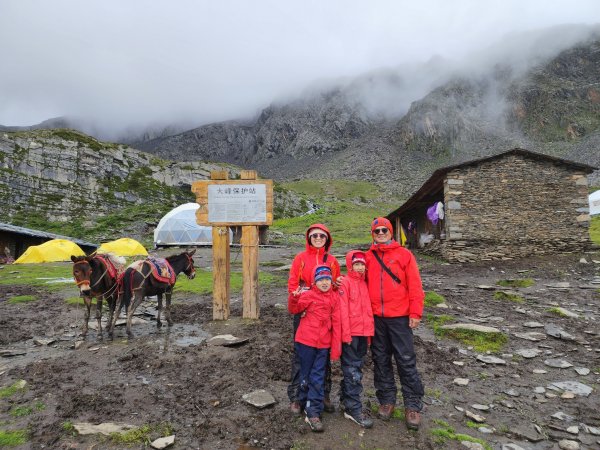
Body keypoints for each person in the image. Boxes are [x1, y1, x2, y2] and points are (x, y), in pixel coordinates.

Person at [365, 217, 425, 430]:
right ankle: (387, 401)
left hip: (400, 317)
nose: (380, 233)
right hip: (376, 318)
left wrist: (415, 312)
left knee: (406, 360)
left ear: (391, 232)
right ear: (372, 234)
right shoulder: (368, 257)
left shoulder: (405, 255)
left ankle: (412, 405)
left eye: (384, 230)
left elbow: (415, 285)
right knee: (380, 360)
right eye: (377, 231)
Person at [287, 224, 341, 415]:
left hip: (325, 314)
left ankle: (322, 394)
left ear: (327, 238)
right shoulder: (300, 258)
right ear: (309, 238)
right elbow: (293, 283)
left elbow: (335, 285)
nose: (318, 238)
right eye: (314, 235)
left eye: (322, 236)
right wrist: (302, 301)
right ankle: (296, 396)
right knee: (301, 353)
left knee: (323, 355)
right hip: (304, 312)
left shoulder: (333, 261)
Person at [288, 265, 342, 432]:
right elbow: (294, 309)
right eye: (320, 279)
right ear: (314, 281)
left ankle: (313, 412)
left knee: (317, 377)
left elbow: (337, 323)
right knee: (304, 375)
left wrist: (335, 347)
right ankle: (302, 401)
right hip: (305, 342)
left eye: (327, 279)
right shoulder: (308, 295)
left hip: (323, 345)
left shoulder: (334, 298)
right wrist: (294, 298)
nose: (324, 282)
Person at [338, 250, 374, 429]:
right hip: (351, 334)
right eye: (356, 264)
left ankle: (345, 399)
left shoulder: (365, 283)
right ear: (349, 265)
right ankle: (353, 408)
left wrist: (368, 335)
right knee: (353, 370)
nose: (359, 267)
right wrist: (346, 335)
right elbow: (343, 311)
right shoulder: (345, 282)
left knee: (355, 366)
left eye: (362, 264)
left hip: (363, 334)